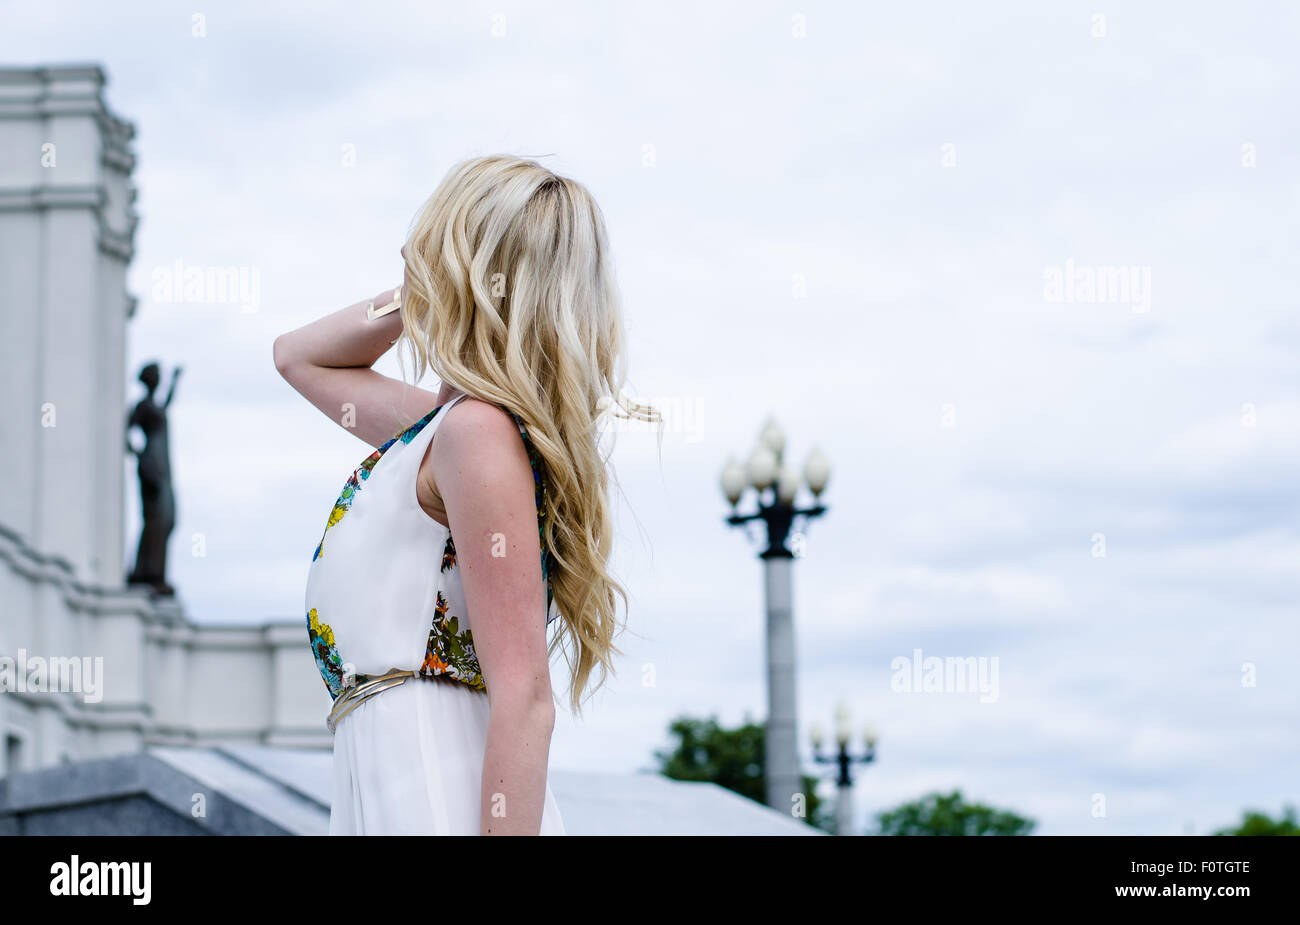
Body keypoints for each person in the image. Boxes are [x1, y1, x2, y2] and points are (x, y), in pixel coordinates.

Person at [273, 155, 657, 835]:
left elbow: (526, 695)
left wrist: (439, 277)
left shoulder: (475, 434)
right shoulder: (439, 433)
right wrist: (416, 291)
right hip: (387, 791)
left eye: (428, 246)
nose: (406, 255)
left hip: (433, 795)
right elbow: (297, 356)